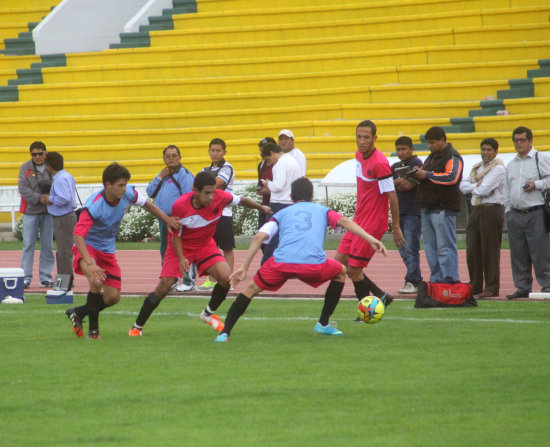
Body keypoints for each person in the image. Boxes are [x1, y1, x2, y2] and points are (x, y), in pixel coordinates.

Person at [215, 177, 387, 342]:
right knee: (341, 272)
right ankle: (323, 323)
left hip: (281, 264)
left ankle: (224, 333)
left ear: (291, 197)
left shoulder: (282, 213)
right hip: (314, 265)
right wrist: (371, 239)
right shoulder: (323, 210)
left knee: (250, 290)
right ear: (312, 196)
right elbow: (346, 223)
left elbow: (259, 237)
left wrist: (244, 268)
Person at [128, 171, 271, 336]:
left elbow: (242, 201)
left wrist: (260, 207)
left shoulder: (221, 197)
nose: (211, 197)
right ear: (195, 191)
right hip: (180, 247)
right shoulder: (180, 205)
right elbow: (175, 236)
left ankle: (207, 314)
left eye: (213, 192)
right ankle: (137, 327)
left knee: (226, 278)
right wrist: (182, 258)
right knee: (165, 286)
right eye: (207, 193)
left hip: (205, 246)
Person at [65, 162, 180, 339]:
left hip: (107, 250)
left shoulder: (127, 194)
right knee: (95, 282)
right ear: (108, 185)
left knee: (113, 297)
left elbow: (147, 205)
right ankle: (93, 331)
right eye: (120, 185)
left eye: (125, 184)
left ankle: (78, 313)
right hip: (88, 247)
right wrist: (90, 263)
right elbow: (78, 236)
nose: (124, 188)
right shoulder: (95, 205)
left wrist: (166, 219)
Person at [335, 120, 405, 307]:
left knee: (354, 270)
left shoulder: (380, 164)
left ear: (375, 138)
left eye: (366, 137)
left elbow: (392, 196)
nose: (362, 141)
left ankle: (367, 311)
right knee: (339, 265)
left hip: (372, 223)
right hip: (358, 220)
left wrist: (396, 227)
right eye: (359, 137)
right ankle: (381, 294)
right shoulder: (358, 155)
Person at [503, 126, 550, 299]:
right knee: (518, 253)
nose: (519, 143)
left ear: (530, 141)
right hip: (515, 213)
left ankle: (547, 286)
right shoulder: (511, 164)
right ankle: (522, 286)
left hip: (536, 211)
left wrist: (535, 184)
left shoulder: (540, 158)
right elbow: (507, 189)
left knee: (540, 251)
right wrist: (508, 210)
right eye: (516, 140)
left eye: (522, 140)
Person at [415, 126, 463, 284]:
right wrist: (418, 173)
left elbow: (452, 177)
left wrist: (427, 174)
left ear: (443, 140)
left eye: (432, 142)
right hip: (428, 207)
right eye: (428, 143)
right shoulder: (432, 157)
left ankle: (449, 280)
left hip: (443, 208)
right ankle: (436, 280)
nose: (429, 146)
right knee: (430, 249)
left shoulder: (453, 156)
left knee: (445, 247)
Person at [459, 138, 505, 299]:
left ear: (495, 151)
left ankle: (491, 287)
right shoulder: (476, 168)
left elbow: (484, 189)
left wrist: (475, 187)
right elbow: (462, 187)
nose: (485, 153)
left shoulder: (498, 169)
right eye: (483, 149)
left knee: (490, 250)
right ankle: (475, 285)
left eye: (489, 150)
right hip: (476, 210)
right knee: (472, 250)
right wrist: (475, 187)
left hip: (491, 210)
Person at [146, 144, 194, 291]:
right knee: (165, 249)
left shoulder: (184, 174)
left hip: (179, 218)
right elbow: (149, 191)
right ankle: (169, 279)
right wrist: (161, 176)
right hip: (164, 217)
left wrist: (185, 218)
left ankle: (188, 281)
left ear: (180, 157)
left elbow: (189, 196)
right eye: (168, 156)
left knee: (184, 248)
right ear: (164, 158)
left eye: (174, 155)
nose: (171, 158)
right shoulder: (163, 174)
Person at [197, 138, 236, 291]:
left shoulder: (227, 168)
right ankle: (211, 280)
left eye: (218, 150)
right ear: (208, 151)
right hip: (208, 215)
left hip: (224, 213)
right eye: (212, 150)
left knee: (227, 248)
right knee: (209, 248)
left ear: (224, 152)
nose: (215, 153)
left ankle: (229, 281)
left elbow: (214, 184)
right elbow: (196, 186)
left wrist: (201, 186)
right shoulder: (204, 169)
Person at [17, 141, 54, 288]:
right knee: (28, 245)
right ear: (30, 154)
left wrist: (50, 198)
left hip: (48, 211)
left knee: (47, 245)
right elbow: (23, 189)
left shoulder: (51, 166)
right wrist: (40, 198)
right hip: (30, 211)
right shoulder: (25, 168)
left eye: (40, 153)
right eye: (34, 154)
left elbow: (58, 183)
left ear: (45, 153)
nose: (38, 157)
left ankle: (45, 277)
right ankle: (25, 277)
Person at [258, 142, 302, 264]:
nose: (270, 163)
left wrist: (267, 183)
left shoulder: (280, 163)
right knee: (288, 237)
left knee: (272, 236)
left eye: (268, 159)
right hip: (292, 202)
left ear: (272, 153)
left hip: (279, 203)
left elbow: (278, 185)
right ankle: (291, 265)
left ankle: (266, 264)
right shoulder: (293, 161)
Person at [391, 136, 423, 294]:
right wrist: (399, 181)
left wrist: (398, 182)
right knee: (402, 249)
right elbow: (390, 186)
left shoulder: (417, 164)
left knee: (411, 248)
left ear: (411, 149)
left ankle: (412, 281)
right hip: (398, 213)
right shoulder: (394, 166)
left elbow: (407, 186)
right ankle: (415, 277)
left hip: (413, 211)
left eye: (404, 149)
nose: (401, 152)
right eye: (398, 149)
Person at [44, 151, 77, 281]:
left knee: (64, 250)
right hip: (67, 216)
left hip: (63, 217)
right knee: (65, 249)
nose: (46, 168)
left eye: (47, 165)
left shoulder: (59, 179)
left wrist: (50, 199)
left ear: (50, 165)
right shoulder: (67, 176)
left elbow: (64, 198)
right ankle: (65, 277)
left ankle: (65, 279)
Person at [256, 137, 276, 231]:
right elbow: (260, 182)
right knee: (262, 235)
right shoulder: (261, 165)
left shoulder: (279, 164)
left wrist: (268, 191)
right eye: (260, 150)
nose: (262, 153)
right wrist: (259, 189)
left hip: (276, 204)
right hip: (264, 204)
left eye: (264, 150)